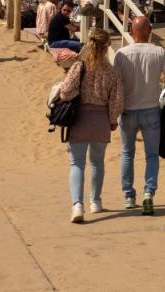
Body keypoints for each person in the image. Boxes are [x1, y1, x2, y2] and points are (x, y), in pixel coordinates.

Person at [113, 16, 165, 215]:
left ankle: (128, 195)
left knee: (127, 153)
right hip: (151, 109)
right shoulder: (159, 52)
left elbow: (115, 83)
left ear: (131, 31)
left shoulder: (121, 54)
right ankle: (148, 193)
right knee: (151, 155)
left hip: (127, 110)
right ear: (149, 31)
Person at [59, 29, 124, 223]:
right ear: (107, 48)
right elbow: (117, 101)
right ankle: (95, 201)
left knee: (77, 163)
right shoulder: (112, 72)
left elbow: (65, 92)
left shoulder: (80, 66)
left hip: (80, 118)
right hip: (101, 120)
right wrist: (113, 121)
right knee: (97, 162)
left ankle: (77, 205)